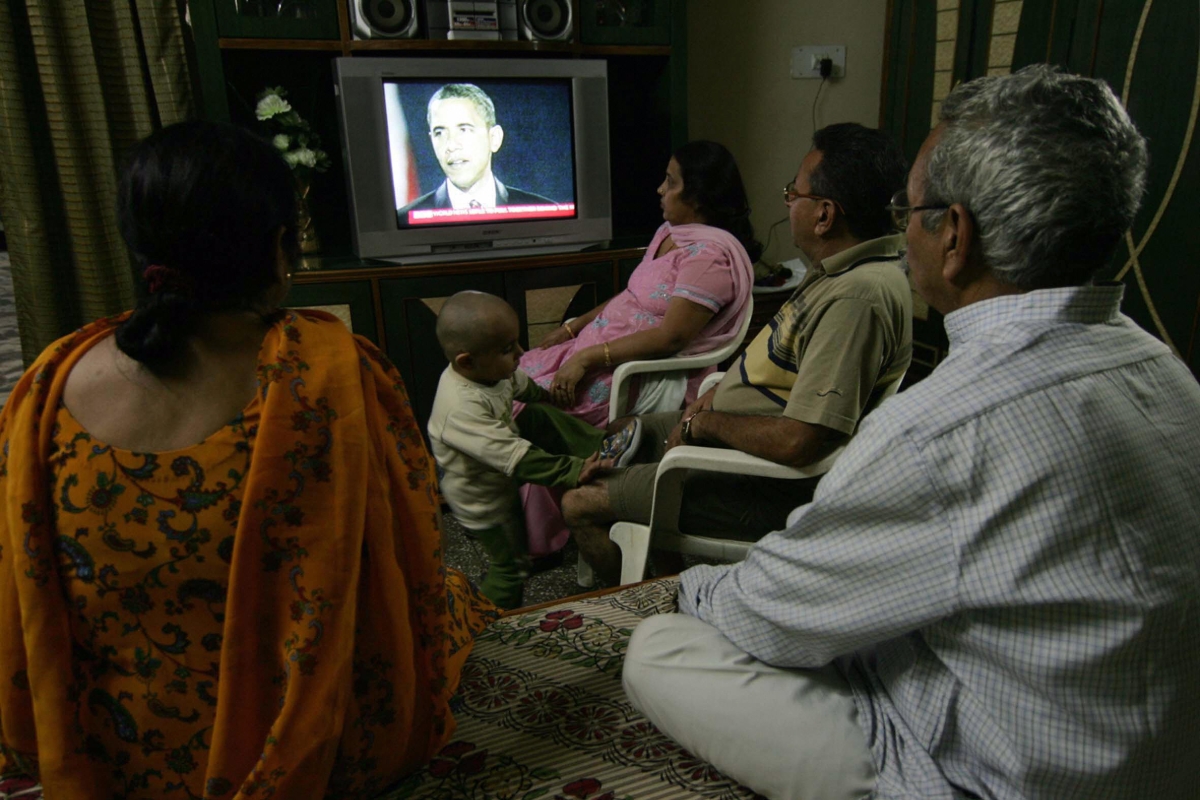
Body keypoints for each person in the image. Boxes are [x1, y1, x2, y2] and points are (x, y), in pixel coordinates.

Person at [622, 65, 1200, 800]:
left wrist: (695, 591)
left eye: (911, 208)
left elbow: (767, 618)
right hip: (1159, 759)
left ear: (953, 235)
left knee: (660, 649)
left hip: (1019, 774)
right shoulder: (1167, 370)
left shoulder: (941, 428)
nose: (903, 229)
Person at [0, 121, 498, 799]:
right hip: (311, 754)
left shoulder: (46, 385)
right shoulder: (333, 376)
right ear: (279, 249)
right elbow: (407, 567)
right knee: (459, 601)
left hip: (113, 760)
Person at [561, 124, 912, 583]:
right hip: (725, 436)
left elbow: (798, 441)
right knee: (624, 430)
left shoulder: (856, 298)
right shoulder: (838, 271)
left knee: (578, 504)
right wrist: (714, 397)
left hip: (757, 483)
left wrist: (701, 424)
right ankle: (668, 582)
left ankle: (629, 608)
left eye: (794, 193)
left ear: (825, 215)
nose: (788, 203)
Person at [520, 140, 760, 428]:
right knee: (502, 382)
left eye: (670, 182)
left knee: (517, 408)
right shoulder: (670, 232)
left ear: (697, 196)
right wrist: (573, 328)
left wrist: (586, 359)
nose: (660, 189)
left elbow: (671, 338)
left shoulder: (709, 260)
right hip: (591, 352)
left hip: (628, 375)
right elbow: (633, 295)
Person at [428, 291, 642, 609]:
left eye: (516, 343)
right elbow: (517, 458)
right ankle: (488, 626)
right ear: (467, 361)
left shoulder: (491, 371)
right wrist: (573, 470)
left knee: (538, 415)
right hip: (484, 501)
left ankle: (601, 446)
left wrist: (546, 395)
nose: (519, 353)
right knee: (510, 568)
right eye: (507, 349)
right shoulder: (459, 410)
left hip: (499, 478)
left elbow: (519, 385)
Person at [397, 83, 551, 221]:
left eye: (464, 129)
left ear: (494, 138)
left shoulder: (543, 211)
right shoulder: (406, 219)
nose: (451, 145)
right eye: (440, 133)